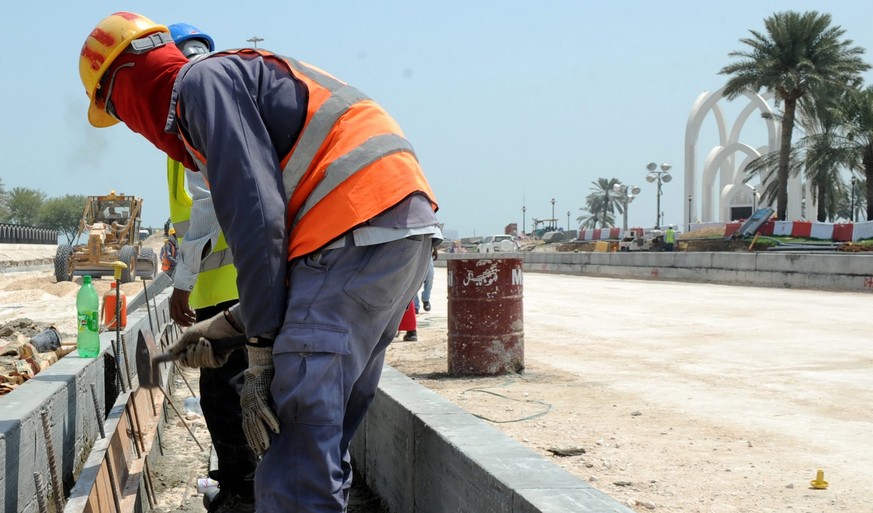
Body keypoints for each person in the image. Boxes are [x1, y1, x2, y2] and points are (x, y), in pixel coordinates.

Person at [79, 12, 440, 513]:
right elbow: (294, 257)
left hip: (353, 224)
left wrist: (260, 351)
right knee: (320, 440)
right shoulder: (235, 80)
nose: (130, 126)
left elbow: (259, 216)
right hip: (390, 229)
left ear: (125, 81)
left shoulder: (201, 85)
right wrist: (225, 328)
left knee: (295, 446)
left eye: (116, 110)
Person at [164, 22, 256, 513]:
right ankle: (240, 484)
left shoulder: (190, 113)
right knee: (232, 391)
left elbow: (206, 207)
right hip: (239, 287)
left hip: (226, 293)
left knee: (228, 395)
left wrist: (181, 284)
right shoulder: (224, 107)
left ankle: (241, 492)